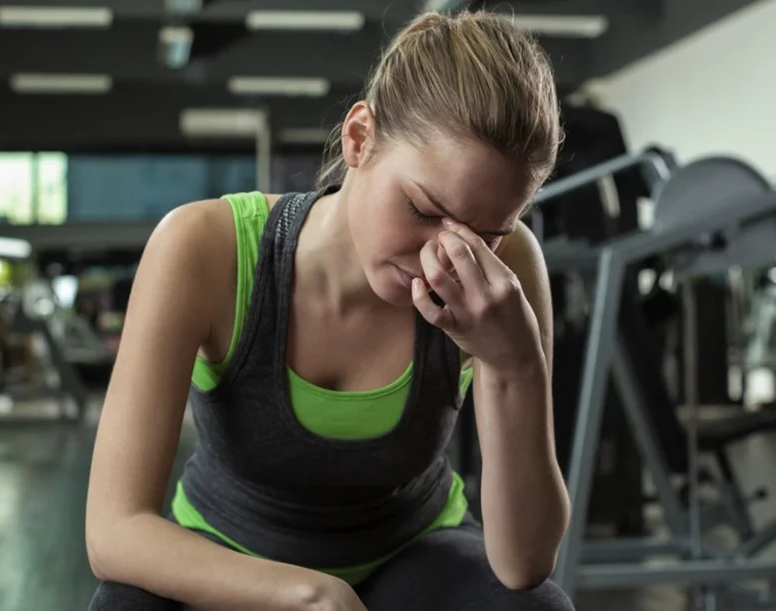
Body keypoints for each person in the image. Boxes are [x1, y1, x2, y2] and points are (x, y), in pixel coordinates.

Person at [86, 9, 574, 611]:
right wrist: (308, 593)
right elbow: (114, 530)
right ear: (359, 138)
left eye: (486, 235)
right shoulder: (203, 248)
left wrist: (514, 365)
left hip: (413, 556)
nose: (440, 259)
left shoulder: (505, 276)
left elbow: (524, 564)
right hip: (229, 555)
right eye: (423, 211)